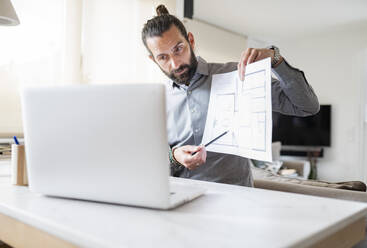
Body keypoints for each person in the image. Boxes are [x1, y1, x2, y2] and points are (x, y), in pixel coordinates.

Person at [141, 5, 319, 187]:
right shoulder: (155, 101)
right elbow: (148, 162)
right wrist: (174, 156)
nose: (175, 63)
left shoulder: (238, 75)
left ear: (191, 41)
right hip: (183, 201)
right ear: (153, 60)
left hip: (238, 202)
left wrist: (276, 60)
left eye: (178, 49)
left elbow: (307, 106)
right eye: (163, 57)